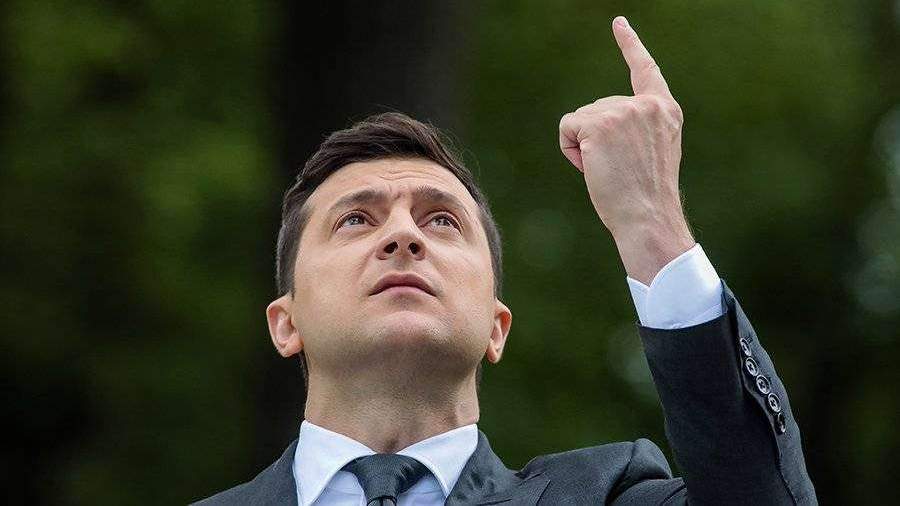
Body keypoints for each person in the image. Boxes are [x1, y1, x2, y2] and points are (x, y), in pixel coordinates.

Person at [194, 15, 816, 506]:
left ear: (497, 326)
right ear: (285, 323)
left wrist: (652, 223)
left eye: (442, 220)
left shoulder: (605, 493)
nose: (403, 236)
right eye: (355, 219)